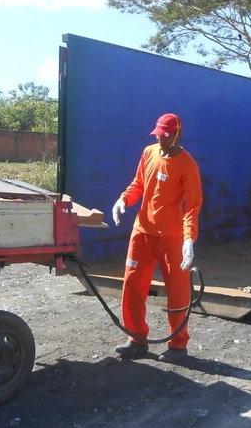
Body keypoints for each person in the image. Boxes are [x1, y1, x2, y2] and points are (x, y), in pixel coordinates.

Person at [111, 113, 203, 363]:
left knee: (178, 289)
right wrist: (124, 200)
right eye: (158, 136)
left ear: (177, 134)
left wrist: (188, 239)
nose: (160, 141)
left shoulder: (187, 165)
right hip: (142, 231)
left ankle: (178, 345)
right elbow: (138, 183)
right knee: (132, 284)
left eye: (165, 136)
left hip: (171, 236)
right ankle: (136, 339)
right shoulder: (148, 153)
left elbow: (193, 206)